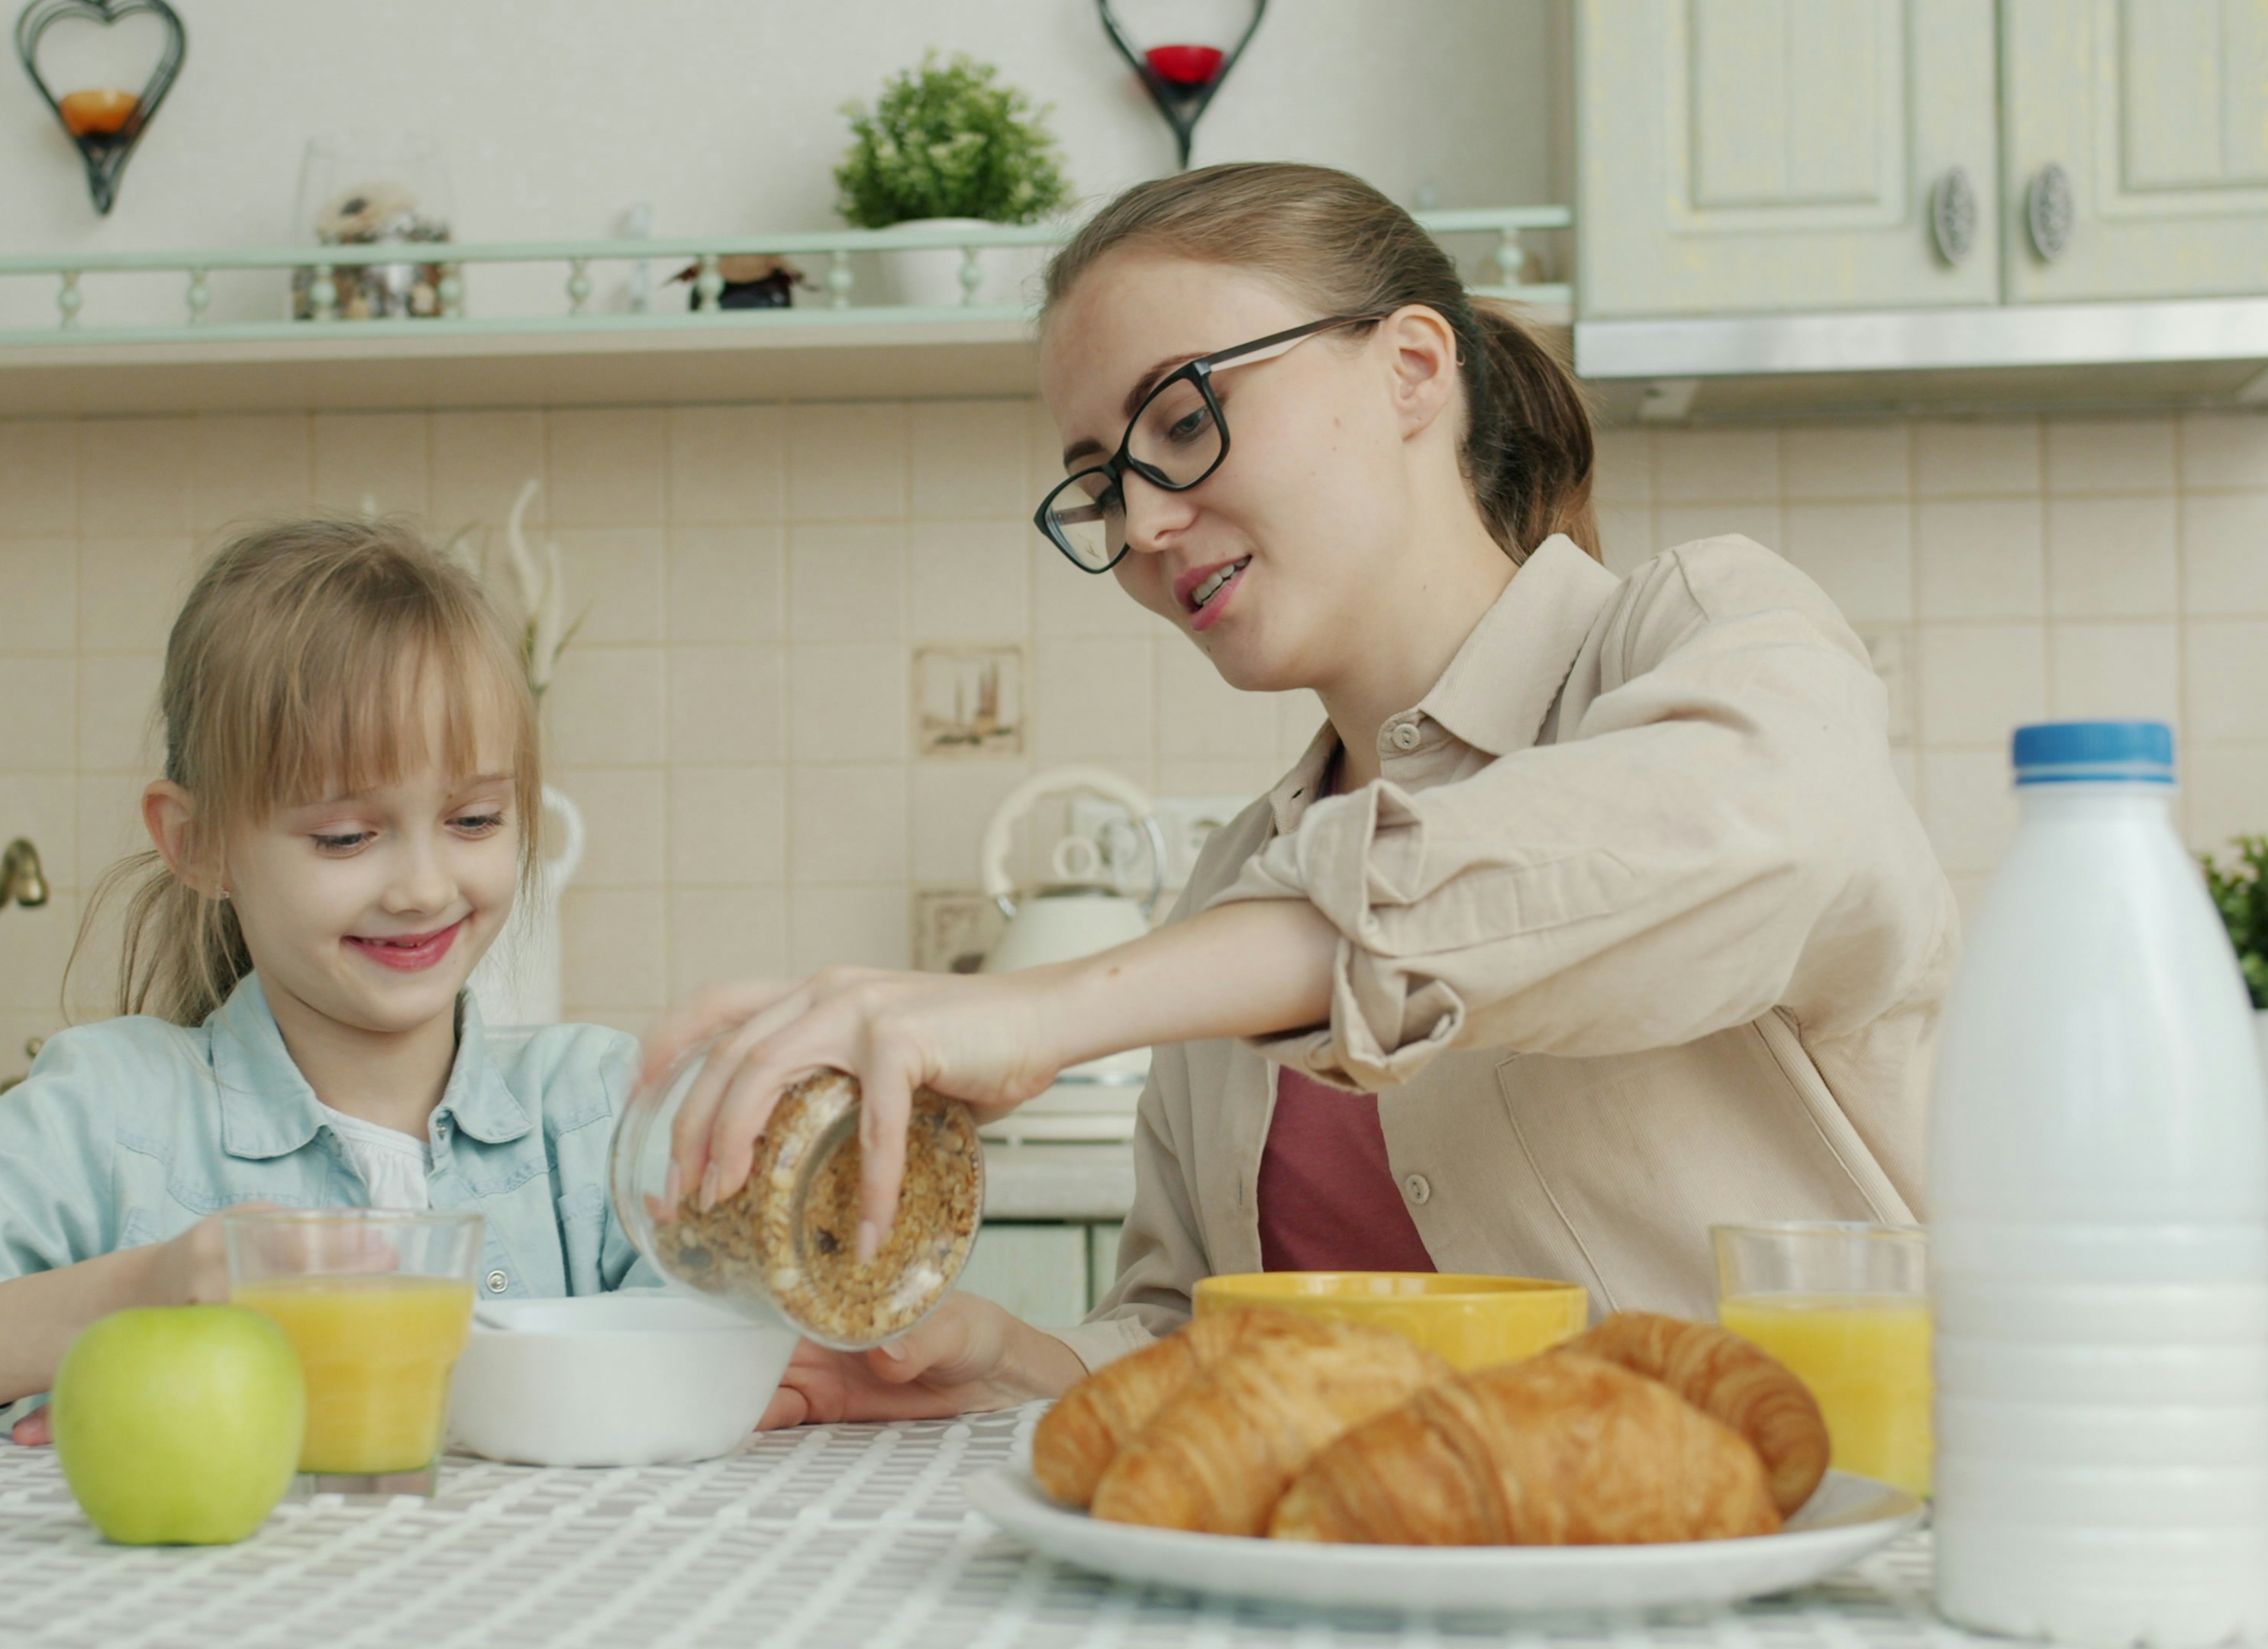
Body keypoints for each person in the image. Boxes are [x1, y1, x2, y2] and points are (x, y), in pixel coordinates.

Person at [644, 163, 1957, 1428]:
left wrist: (1036, 1009)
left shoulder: (1697, 634)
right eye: (1102, 481)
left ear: (1411, 371)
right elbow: (1201, 1348)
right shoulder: (1238, 878)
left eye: (1182, 420)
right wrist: (1002, 1364)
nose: (1142, 530)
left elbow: (1765, 836)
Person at [0, 519, 648, 1457]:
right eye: (344, 838)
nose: (423, 888)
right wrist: (132, 1299)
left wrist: (761, 1361)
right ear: (197, 844)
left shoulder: (595, 1111)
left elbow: (753, 1323)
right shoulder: (112, 1115)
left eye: (475, 819)